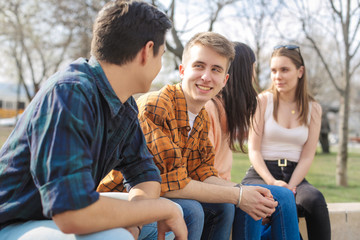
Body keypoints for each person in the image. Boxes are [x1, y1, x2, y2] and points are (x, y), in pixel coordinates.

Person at [0, 1, 188, 239]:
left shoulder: (124, 105)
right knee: (117, 235)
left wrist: (136, 219)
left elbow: (144, 174)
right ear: (146, 51)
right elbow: (72, 213)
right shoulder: (69, 93)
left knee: (171, 216)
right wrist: (159, 208)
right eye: (161, 55)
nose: (161, 66)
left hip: (55, 215)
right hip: (14, 221)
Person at [98, 32, 298, 240]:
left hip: (156, 199)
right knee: (191, 211)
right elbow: (172, 183)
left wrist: (245, 191)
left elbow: (203, 172)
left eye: (216, 69)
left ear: (224, 80)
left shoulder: (200, 116)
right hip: (121, 202)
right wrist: (238, 195)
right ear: (183, 70)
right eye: (199, 66)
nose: (206, 77)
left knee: (223, 208)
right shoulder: (156, 106)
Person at [205, 42, 300, 239]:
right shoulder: (211, 109)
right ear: (244, 72)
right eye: (254, 69)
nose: (255, 77)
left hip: (224, 189)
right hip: (211, 192)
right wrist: (241, 193)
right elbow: (203, 173)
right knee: (280, 196)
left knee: (279, 198)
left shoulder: (227, 111)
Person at [243, 44, 331, 240]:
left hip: (295, 175)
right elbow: (254, 150)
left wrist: (291, 186)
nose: (277, 76)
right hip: (261, 173)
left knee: (314, 200)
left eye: (284, 70)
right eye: (273, 70)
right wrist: (273, 182)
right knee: (278, 202)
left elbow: (308, 155)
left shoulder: (313, 108)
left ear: (300, 72)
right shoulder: (263, 101)